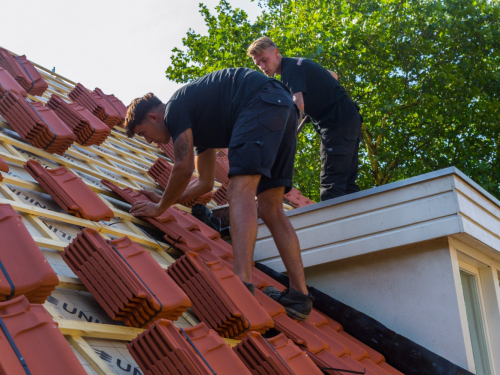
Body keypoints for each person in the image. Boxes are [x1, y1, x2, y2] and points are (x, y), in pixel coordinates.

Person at [124, 68, 314, 321]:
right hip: (283, 110)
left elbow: (182, 168)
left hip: (260, 104)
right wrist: (163, 201)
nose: (149, 142)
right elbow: (203, 183)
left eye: (143, 133)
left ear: (152, 116)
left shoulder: (174, 109)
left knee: (239, 189)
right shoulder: (201, 124)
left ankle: (241, 282)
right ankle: (300, 298)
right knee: (271, 208)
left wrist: (160, 208)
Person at [247, 36, 362, 201]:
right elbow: (333, 75)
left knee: (331, 187)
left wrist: (286, 136)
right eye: (258, 64)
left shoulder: (289, 70)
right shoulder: (299, 64)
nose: (263, 67)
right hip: (350, 119)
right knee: (347, 185)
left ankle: (334, 226)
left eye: (265, 60)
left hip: (337, 124)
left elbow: (298, 102)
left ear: (276, 52)